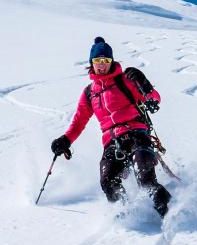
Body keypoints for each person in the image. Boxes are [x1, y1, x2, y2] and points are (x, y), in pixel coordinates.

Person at [50, 37, 172, 217]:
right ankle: (127, 216)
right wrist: (66, 139)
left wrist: (143, 83)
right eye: (97, 61)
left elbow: (154, 99)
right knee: (108, 182)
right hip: (112, 143)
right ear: (91, 63)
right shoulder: (89, 93)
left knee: (145, 180)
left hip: (137, 134)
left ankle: (171, 213)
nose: (101, 65)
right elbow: (79, 121)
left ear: (111, 61)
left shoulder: (127, 79)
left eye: (105, 60)